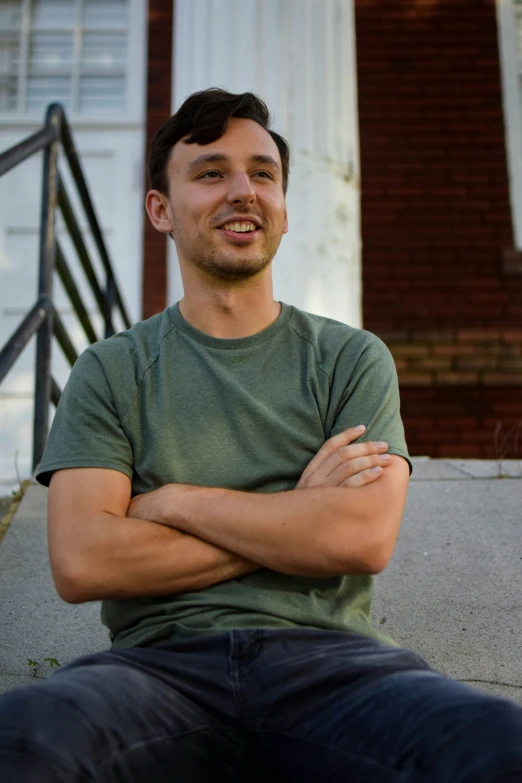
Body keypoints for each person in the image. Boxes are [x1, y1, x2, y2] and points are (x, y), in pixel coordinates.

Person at [0, 88, 520, 782]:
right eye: (211, 172)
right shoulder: (111, 368)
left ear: (282, 206)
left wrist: (173, 501)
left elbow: (360, 538)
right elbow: (84, 560)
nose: (243, 190)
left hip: (339, 667)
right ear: (160, 208)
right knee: (24, 739)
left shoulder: (348, 358)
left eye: (263, 173)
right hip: (154, 671)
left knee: (499, 745)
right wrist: (297, 512)